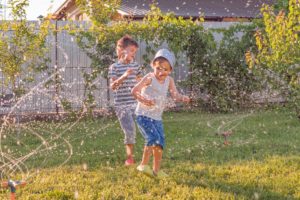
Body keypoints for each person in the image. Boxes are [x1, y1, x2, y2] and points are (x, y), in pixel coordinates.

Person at [132, 49, 191, 178]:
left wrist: (182, 98)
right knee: (153, 138)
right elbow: (134, 91)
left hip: (157, 118)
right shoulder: (149, 78)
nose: (161, 72)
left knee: (160, 143)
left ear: (170, 70)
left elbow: (175, 95)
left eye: (165, 69)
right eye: (158, 68)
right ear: (153, 66)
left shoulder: (169, 80)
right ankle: (143, 165)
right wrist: (144, 100)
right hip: (143, 115)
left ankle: (156, 171)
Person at [108, 35, 142, 166]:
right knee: (129, 130)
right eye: (132, 51)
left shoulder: (136, 65)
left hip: (136, 103)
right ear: (122, 51)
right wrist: (124, 76)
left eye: (135, 52)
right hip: (122, 105)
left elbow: (140, 82)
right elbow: (113, 86)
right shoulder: (114, 67)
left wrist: (146, 87)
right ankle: (130, 157)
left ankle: (148, 153)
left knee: (145, 126)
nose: (133, 54)